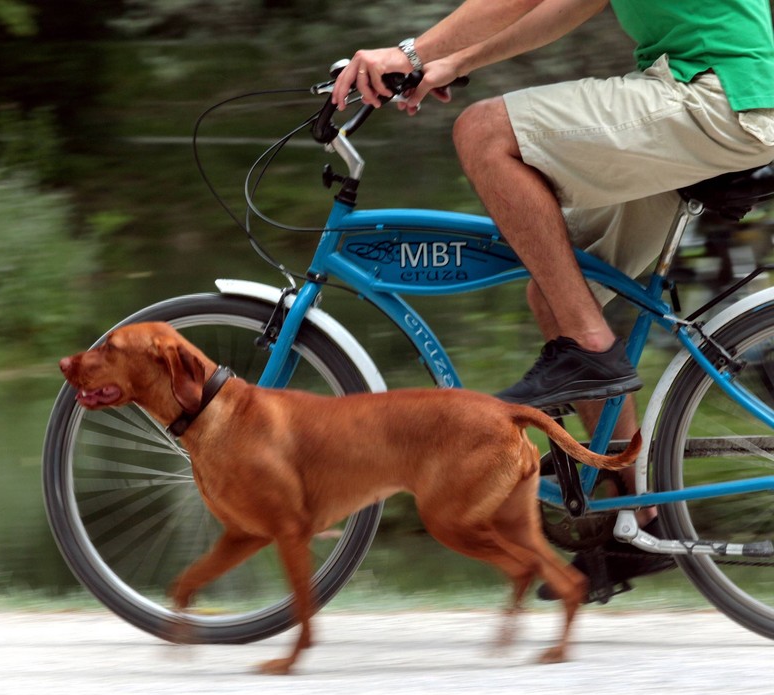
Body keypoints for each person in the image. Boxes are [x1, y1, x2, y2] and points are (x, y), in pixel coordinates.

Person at [332, 0, 774, 599]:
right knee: (560, 292)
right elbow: (562, 7)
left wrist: (410, 52)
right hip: (713, 97)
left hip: (717, 98)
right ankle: (634, 521)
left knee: (484, 131)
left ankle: (591, 348)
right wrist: (456, 58)